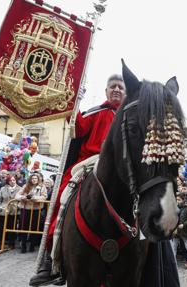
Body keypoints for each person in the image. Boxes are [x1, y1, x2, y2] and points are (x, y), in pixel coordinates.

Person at [30, 74, 126, 286]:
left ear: (126, 92)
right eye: (113, 87)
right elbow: (76, 128)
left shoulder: (129, 118)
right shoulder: (97, 113)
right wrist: (75, 103)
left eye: (120, 87)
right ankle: (51, 259)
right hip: (88, 164)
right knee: (62, 199)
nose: (117, 90)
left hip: (120, 169)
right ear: (106, 91)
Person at [16, 173, 47, 253]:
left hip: (36, 209)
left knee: (34, 228)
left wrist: (35, 198)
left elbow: (44, 197)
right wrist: (23, 197)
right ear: (30, 179)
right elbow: (17, 195)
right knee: (24, 227)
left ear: (38, 179)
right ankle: (23, 246)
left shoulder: (42, 187)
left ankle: (32, 246)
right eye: (32, 178)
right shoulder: (25, 186)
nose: (34, 180)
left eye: (35, 178)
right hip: (25, 209)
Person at [0, 174, 22, 248]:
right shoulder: (3, 188)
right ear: (8, 181)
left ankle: (11, 243)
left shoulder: (20, 189)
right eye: (10, 180)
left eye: (14, 180)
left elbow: (21, 200)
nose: (12, 182)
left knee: (12, 227)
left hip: (14, 210)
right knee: (2, 227)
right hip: (3, 209)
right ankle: (1, 242)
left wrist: (18, 207)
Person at [171, 193, 187, 269]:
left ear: (183, 200)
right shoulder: (175, 208)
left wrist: (184, 225)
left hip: (184, 231)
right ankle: (172, 262)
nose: (177, 201)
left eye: (179, 199)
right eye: (176, 199)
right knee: (173, 246)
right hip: (176, 230)